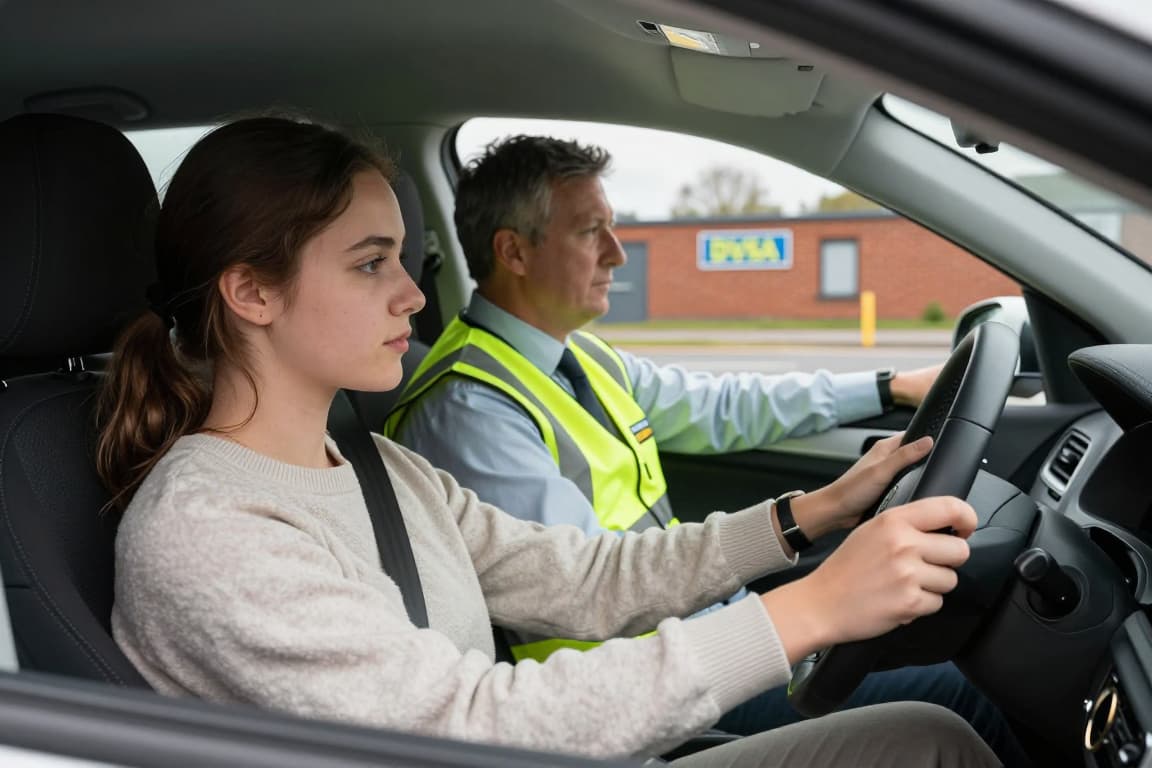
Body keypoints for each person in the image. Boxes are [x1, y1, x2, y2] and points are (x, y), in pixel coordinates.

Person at [97, 116, 999, 767]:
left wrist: (802, 520)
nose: (413, 296)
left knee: (929, 738)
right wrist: (808, 612)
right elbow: (464, 724)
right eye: (371, 264)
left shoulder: (383, 467)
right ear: (250, 293)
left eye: (403, 261)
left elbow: (585, 579)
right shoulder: (207, 530)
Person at [386, 135, 1028, 765]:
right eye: (590, 232)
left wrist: (883, 391)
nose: (617, 255)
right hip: (641, 685)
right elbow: (589, 596)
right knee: (963, 699)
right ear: (514, 252)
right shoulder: (469, 410)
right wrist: (809, 600)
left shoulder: (580, 355)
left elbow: (722, 405)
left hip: (698, 626)